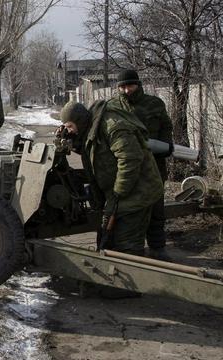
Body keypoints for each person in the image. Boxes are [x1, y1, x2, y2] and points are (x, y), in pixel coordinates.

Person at [59, 101, 164, 256]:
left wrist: (117, 193)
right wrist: (71, 141)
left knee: (126, 248)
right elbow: (95, 151)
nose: (69, 130)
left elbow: (130, 159)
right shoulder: (91, 126)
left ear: (79, 121)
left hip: (136, 193)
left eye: (69, 126)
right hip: (120, 196)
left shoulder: (112, 126)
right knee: (107, 243)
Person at [107, 69, 174, 261]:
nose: (126, 90)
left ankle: (157, 247)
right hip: (127, 165)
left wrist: (165, 145)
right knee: (127, 207)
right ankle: (127, 248)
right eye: (122, 87)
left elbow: (166, 126)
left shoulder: (154, 104)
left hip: (154, 164)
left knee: (155, 207)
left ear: (138, 84)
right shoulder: (113, 106)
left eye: (130, 85)